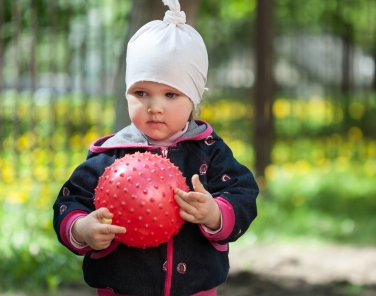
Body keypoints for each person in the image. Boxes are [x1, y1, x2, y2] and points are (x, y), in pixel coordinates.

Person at [52, 1, 259, 295]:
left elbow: (243, 194)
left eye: (171, 94)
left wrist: (215, 213)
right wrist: (81, 229)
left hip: (194, 288)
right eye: (141, 92)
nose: (154, 107)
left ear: (194, 99)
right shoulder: (111, 155)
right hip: (121, 286)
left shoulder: (210, 152)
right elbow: (69, 201)